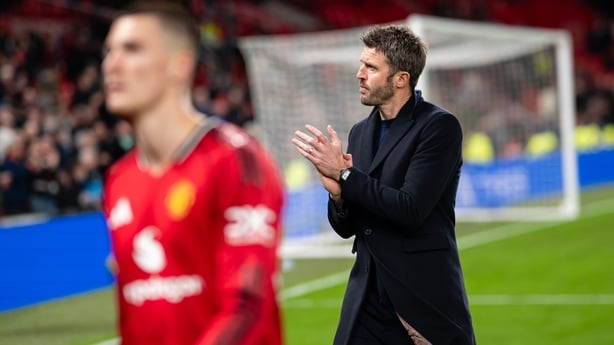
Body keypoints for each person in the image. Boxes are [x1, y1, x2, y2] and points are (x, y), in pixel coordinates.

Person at [101, 2, 285, 345]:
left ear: (180, 64)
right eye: (108, 51)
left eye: (132, 49)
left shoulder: (236, 160)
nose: (112, 64)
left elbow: (247, 307)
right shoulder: (119, 179)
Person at [292, 24, 476, 345]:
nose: (359, 74)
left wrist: (346, 177)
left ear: (401, 79)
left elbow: (410, 209)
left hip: (420, 298)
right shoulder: (360, 132)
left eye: (371, 68)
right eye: (361, 65)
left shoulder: (438, 127)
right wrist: (338, 196)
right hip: (366, 300)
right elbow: (347, 227)